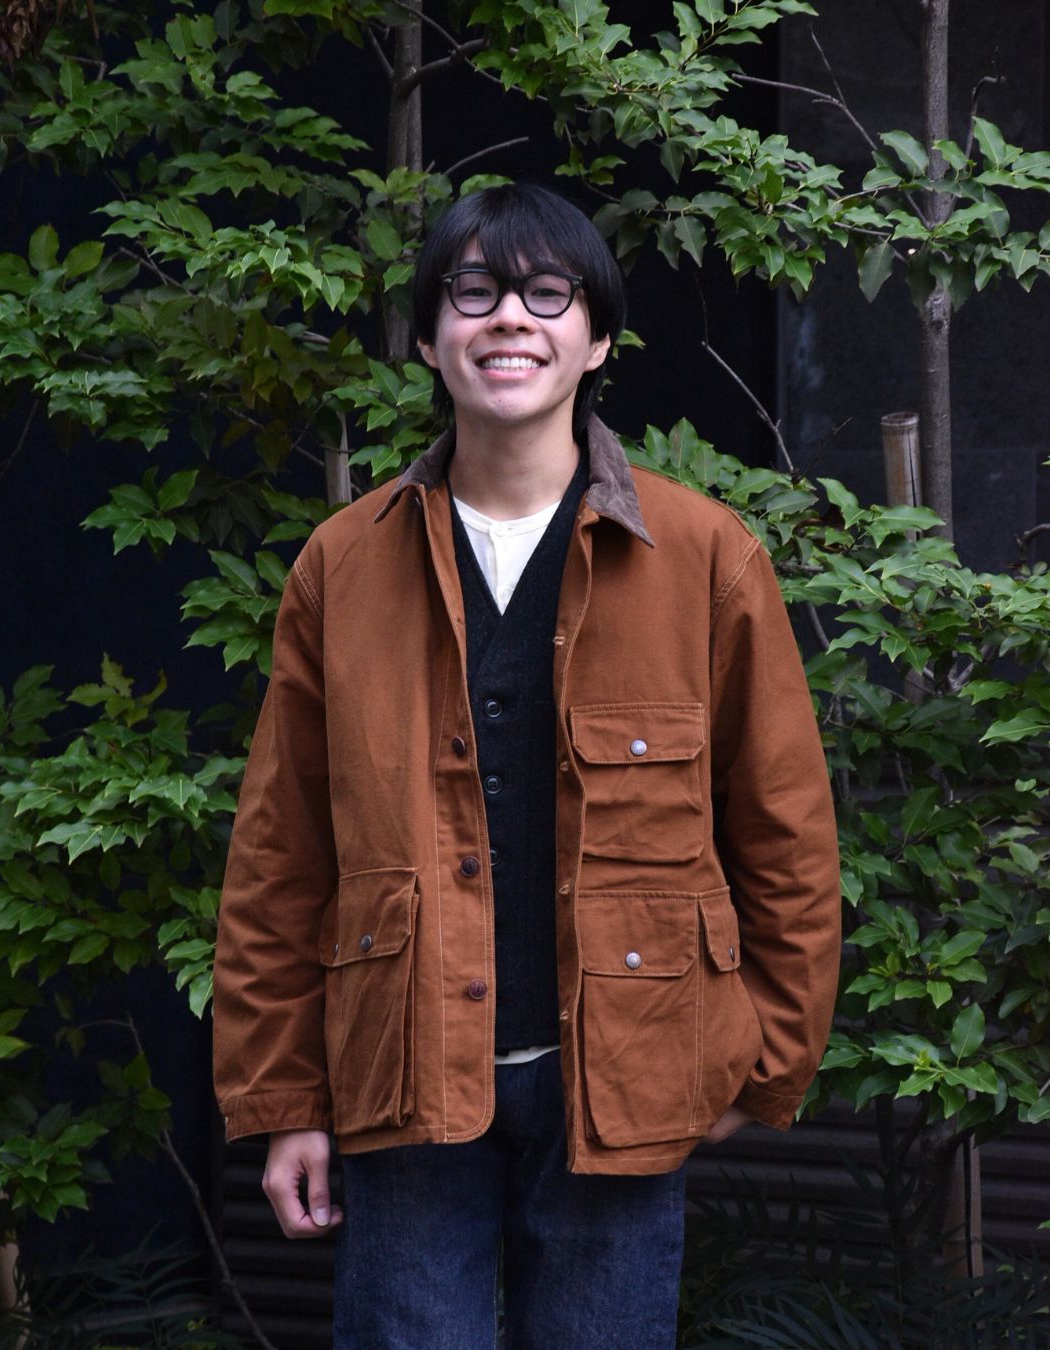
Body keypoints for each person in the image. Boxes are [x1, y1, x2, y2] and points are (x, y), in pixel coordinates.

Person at [212, 182, 841, 1348]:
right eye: (474, 291)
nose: (509, 316)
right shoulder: (342, 568)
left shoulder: (705, 557)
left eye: (548, 293)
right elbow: (279, 857)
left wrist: (763, 1061)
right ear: (427, 339)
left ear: (595, 340)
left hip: (629, 1070)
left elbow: (786, 837)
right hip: (406, 1075)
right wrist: (285, 1100)